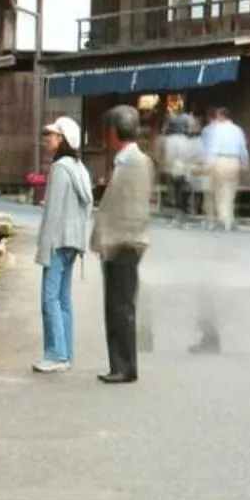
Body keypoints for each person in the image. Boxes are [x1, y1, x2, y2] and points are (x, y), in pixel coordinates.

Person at [93, 105, 154, 384]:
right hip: (126, 241)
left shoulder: (131, 163)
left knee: (120, 306)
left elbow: (120, 208)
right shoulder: (135, 161)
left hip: (124, 242)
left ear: (114, 132)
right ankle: (121, 364)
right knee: (119, 305)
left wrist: (103, 239)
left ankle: (124, 366)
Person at [35, 118, 93, 375]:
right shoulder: (80, 168)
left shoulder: (59, 168)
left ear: (64, 140)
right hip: (74, 240)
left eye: (53, 135)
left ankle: (56, 354)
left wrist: (44, 248)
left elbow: (54, 212)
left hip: (58, 240)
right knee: (64, 298)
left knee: (50, 297)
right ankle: (65, 353)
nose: (48, 138)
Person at [200, 107, 250, 231]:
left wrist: (208, 163)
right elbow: (243, 147)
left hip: (219, 160)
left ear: (221, 116)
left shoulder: (216, 129)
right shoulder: (238, 130)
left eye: (217, 116)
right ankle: (229, 219)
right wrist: (245, 162)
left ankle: (222, 218)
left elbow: (212, 146)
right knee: (230, 192)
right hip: (234, 161)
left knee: (219, 191)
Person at [158, 113, 201, 219]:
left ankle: (176, 208)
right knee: (183, 187)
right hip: (185, 167)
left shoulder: (170, 139)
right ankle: (184, 208)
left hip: (174, 166)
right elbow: (191, 154)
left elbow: (169, 155)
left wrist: (168, 164)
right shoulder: (186, 140)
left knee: (174, 187)